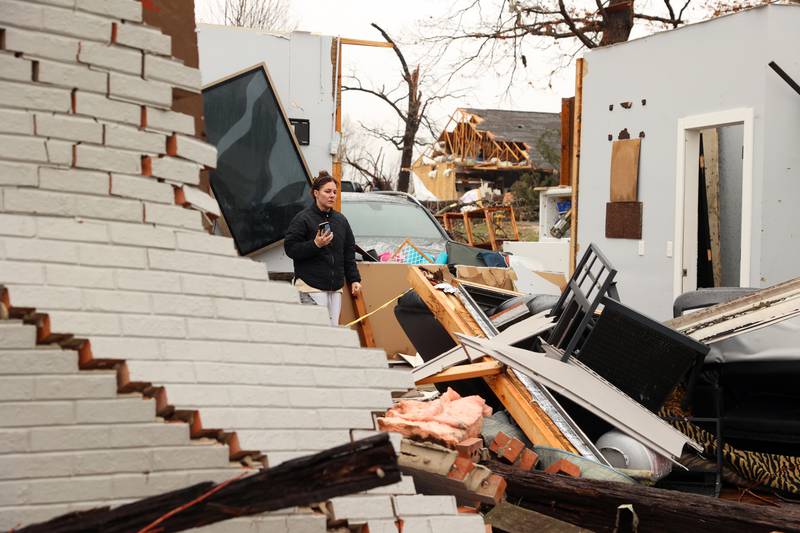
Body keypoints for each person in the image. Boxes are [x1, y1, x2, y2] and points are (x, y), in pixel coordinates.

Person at [284, 171, 361, 326]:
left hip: (335, 287)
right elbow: (291, 249)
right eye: (327, 191)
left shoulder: (341, 220)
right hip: (310, 285)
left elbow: (348, 252)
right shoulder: (302, 219)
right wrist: (316, 245)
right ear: (316, 193)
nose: (332, 195)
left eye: (334, 192)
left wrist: (354, 279)